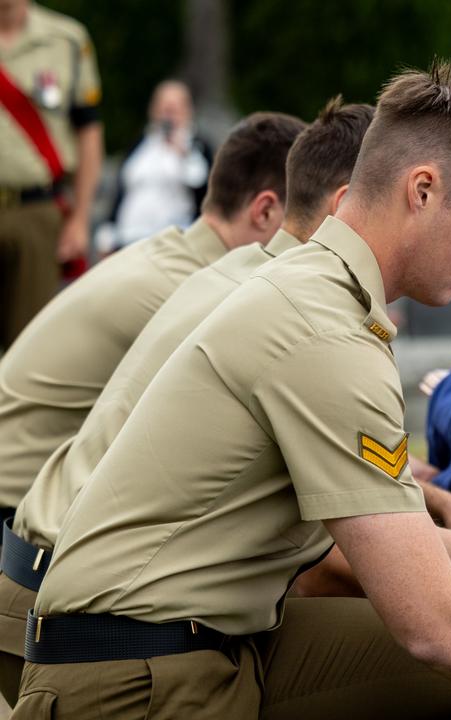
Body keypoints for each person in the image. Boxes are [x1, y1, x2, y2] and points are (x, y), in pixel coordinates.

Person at [13, 65, 451, 720]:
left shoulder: (305, 284)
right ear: (421, 191)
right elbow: (434, 621)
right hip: (137, 677)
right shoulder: (323, 330)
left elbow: (403, 549)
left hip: (167, 639)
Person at [0, 98, 385, 703]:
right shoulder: (236, 300)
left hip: (41, 560)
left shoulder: (195, 271)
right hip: (64, 590)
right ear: (266, 208)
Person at [0, 111, 304, 520]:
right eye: (306, 221)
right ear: (265, 212)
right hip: (16, 520)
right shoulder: (194, 291)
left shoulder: (168, 258)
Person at [0, 0, 103, 348]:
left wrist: (81, 218)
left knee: (29, 348)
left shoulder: (66, 39)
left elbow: (88, 131)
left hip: (37, 215)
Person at [103, 79, 215, 249]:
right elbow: (122, 188)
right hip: (129, 239)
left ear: (188, 110)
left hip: (173, 242)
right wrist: (108, 234)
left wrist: (183, 152)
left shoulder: (198, 146)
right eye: (164, 108)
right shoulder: (142, 143)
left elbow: (203, 186)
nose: (168, 116)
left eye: (174, 109)